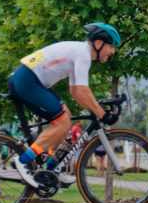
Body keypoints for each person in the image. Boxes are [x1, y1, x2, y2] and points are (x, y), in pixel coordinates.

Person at [8, 22, 121, 187]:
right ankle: (23, 161)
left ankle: (52, 169)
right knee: (62, 121)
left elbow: (75, 92)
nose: (112, 51)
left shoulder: (79, 52)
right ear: (98, 43)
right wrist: (102, 114)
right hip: (28, 80)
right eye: (111, 46)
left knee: (65, 118)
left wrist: (96, 109)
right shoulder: (83, 54)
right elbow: (82, 90)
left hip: (28, 79)